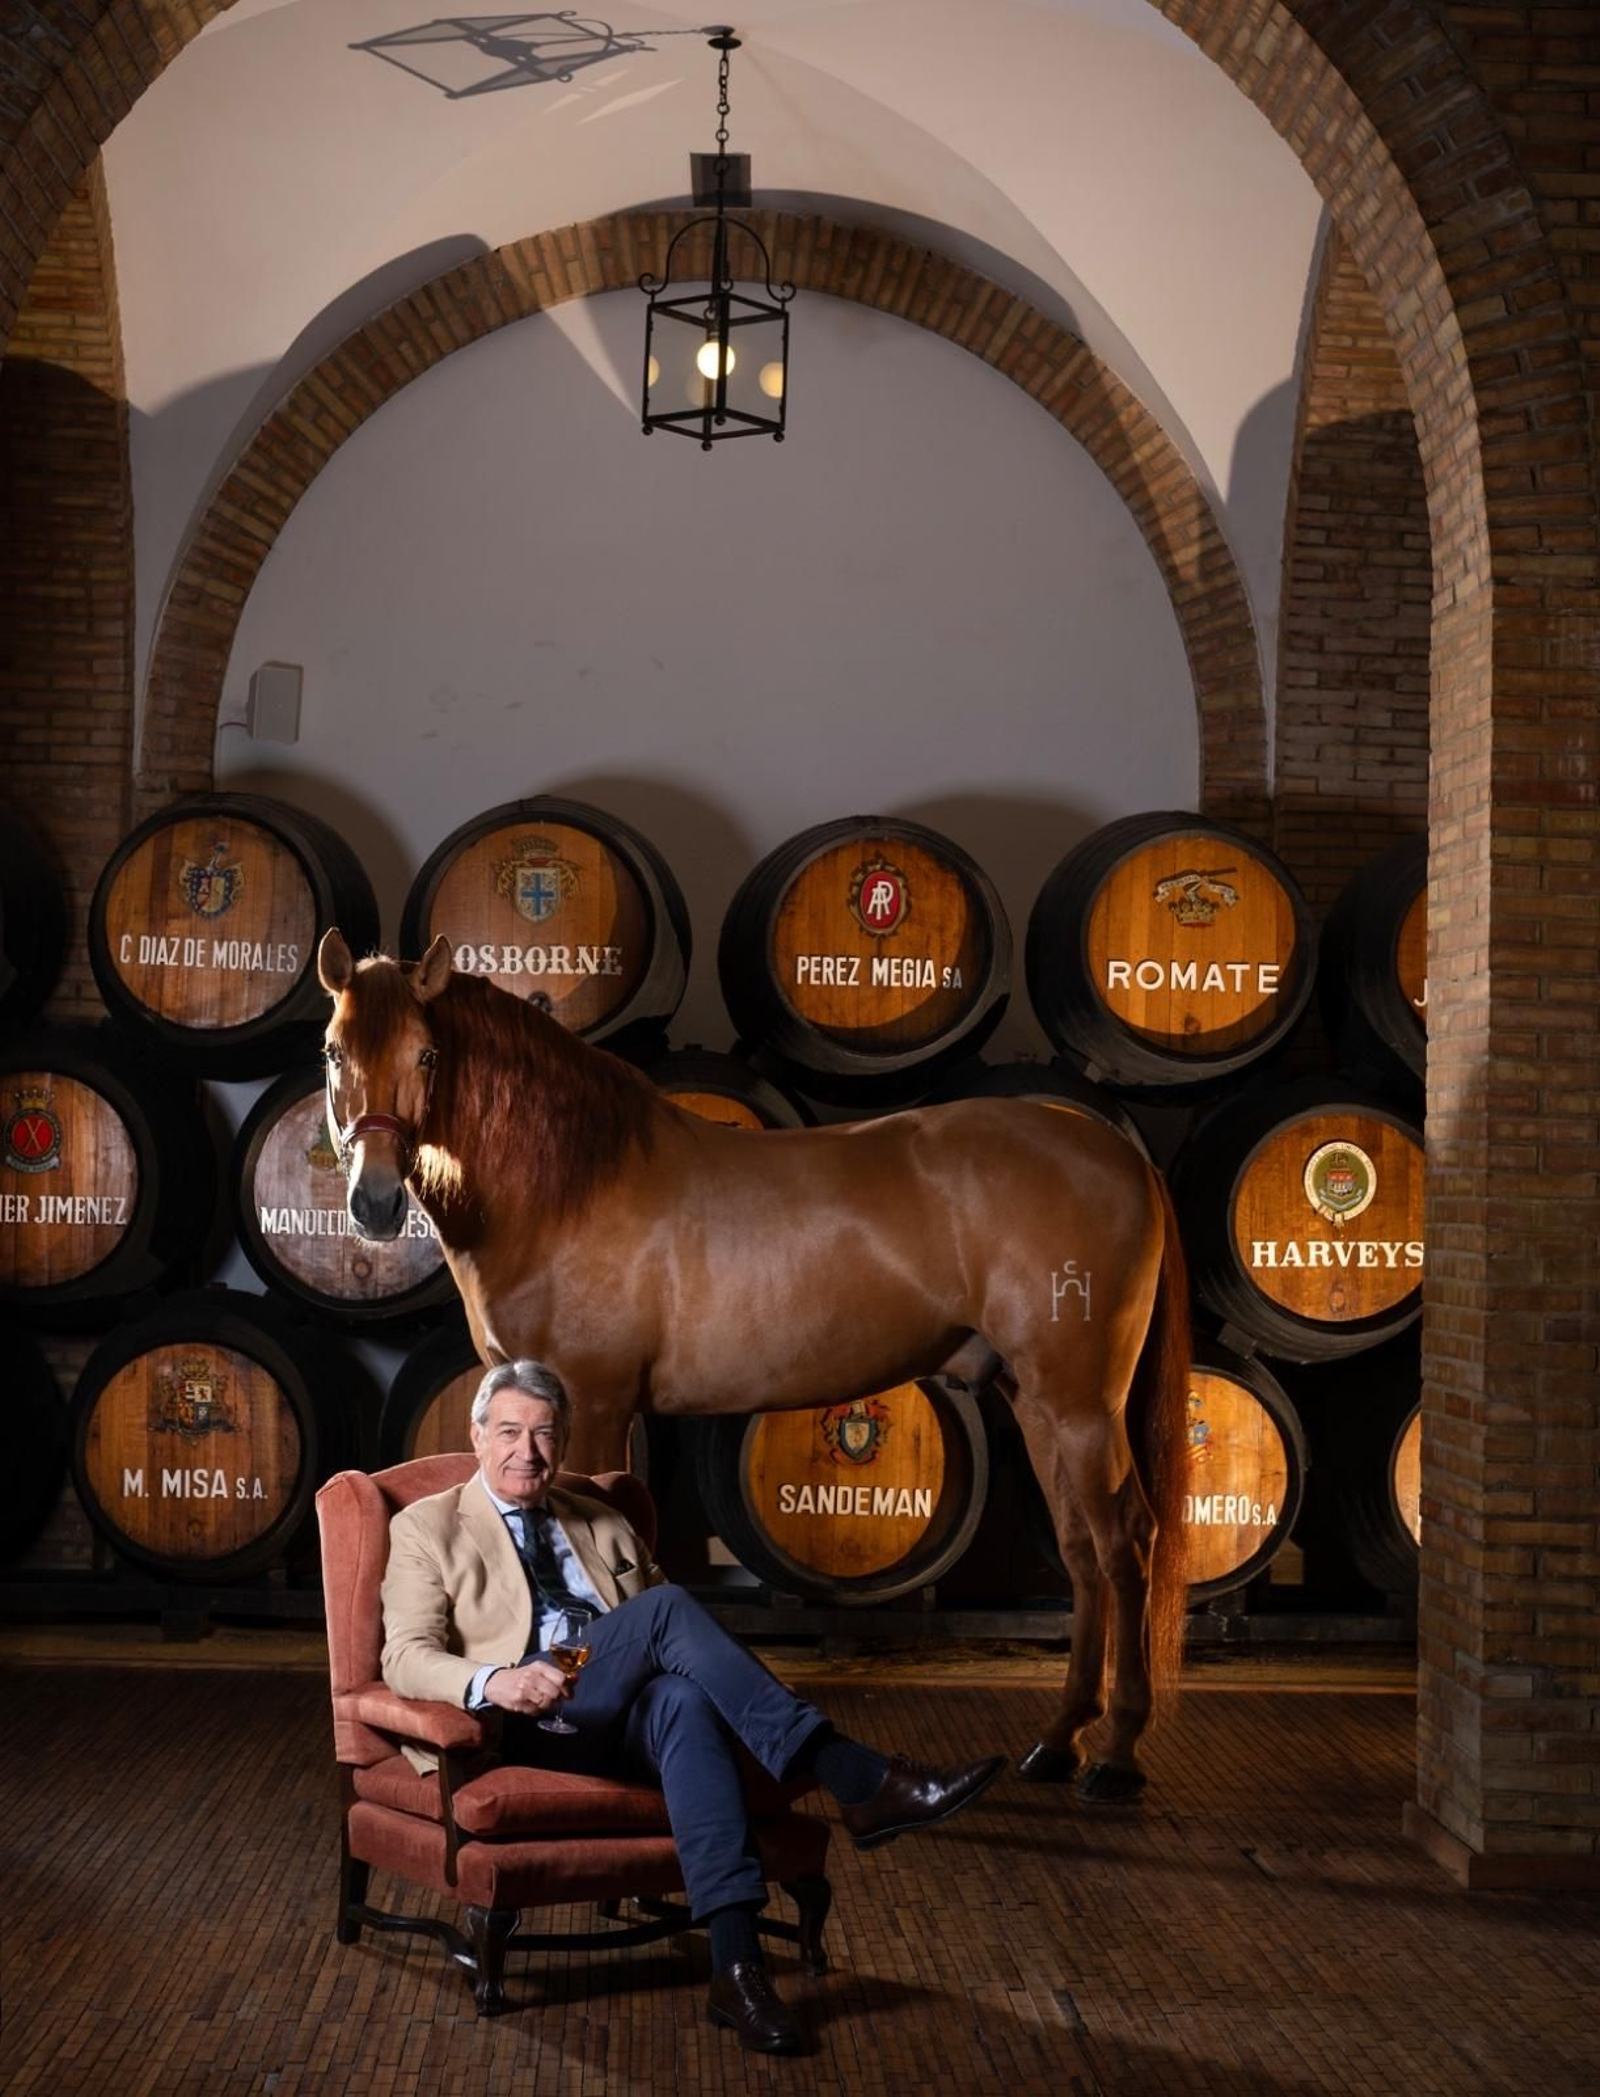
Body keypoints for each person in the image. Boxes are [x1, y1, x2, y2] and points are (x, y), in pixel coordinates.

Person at [381, 1360, 1006, 2055]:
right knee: (668, 1607)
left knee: (683, 1698)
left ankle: (735, 1971)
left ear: (562, 1439)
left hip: (617, 1702)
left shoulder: (603, 1521)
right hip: (527, 1711)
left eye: (543, 1433)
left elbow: (681, 1650)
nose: (526, 1451)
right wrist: (493, 1679)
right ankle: (854, 1773)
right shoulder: (426, 1526)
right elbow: (402, 1656)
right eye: (508, 1431)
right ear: (477, 1435)